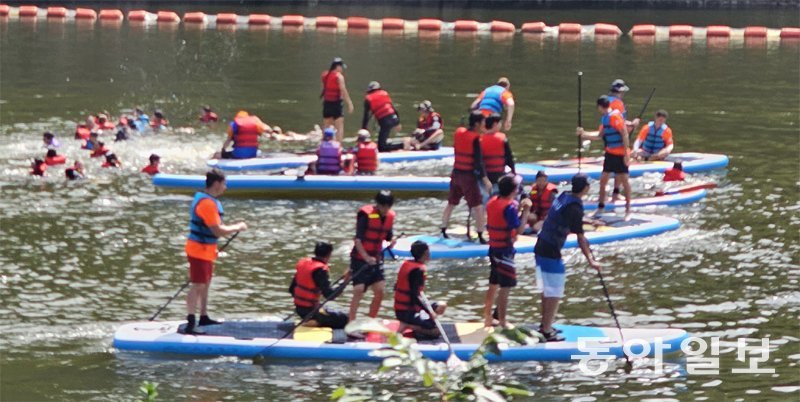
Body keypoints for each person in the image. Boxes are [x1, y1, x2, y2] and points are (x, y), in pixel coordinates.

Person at [534, 174, 601, 341]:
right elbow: (580, 238)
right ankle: (547, 331)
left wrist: (587, 221)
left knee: (546, 289)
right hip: (550, 250)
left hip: (540, 245)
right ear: (585, 188)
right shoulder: (575, 207)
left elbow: (568, 217)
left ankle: (544, 325)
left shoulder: (564, 196)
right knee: (555, 291)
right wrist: (591, 261)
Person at [184, 169, 248, 335]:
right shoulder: (207, 203)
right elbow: (217, 231)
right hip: (198, 250)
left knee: (205, 284)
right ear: (217, 184)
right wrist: (238, 227)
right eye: (224, 184)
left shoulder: (209, 200)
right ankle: (191, 322)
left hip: (207, 250)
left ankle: (203, 316)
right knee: (197, 285)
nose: (225, 187)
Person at [483, 175, 531, 328]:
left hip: (493, 248)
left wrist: (518, 207)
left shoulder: (493, 202)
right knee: (505, 287)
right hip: (504, 251)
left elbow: (503, 216)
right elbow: (519, 229)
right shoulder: (509, 207)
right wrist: (526, 211)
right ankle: (503, 322)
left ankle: (488, 317)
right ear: (514, 190)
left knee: (493, 283)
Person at [440, 111, 491, 243]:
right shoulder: (475, 139)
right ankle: (481, 235)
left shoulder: (459, 133)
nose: (485, 125)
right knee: (478, 206)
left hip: (456, 173)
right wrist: (486, 180)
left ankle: (443, 230)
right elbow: (479, 162)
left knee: (451, 203)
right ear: (477, 124)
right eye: (483, 122)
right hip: (468, 176)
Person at [577, 95, 632, 219]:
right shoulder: (605, 119)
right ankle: (600, 208)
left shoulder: (615, 117)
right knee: (603, 180)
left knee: (625, 181)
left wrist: (626, 153)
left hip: (620, 154)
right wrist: (584, 134)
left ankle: (628, 210)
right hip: (610, 153)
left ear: (600, 107)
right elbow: (599, 135)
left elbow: (624, 133)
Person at [348, 190, 397, 321]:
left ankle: (370, 321)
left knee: (380, 290)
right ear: (378, 204)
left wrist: (392, 241)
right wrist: (366, 258)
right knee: (358, 290)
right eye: (383, 206)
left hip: (376, 259)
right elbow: (357, 240)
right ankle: (351, 322)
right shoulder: (365, 216)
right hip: (359, 258)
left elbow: (388, 236)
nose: (386, 209)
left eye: (388, 206)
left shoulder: (389, 217)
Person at [394, 240, 448, 339]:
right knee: (436, 331)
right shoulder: (417, 271)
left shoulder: (409, 264)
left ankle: (423, 322)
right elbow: (414, 296)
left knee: (442, 305)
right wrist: (429, 311)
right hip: (406, 312)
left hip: (411, 307)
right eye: (428, 251)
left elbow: (398, 287)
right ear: (425, 253)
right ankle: (408, 325)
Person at [289, 241, 349, 329]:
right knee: (345, 318)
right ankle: (317, 321)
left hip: (299, 309)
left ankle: (314, 318)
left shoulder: (303, 264)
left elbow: (291, 289)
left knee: (332, 308)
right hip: (310, 312)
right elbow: (329, 295)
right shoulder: (320, 270)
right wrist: (345, 282)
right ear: (328, 255)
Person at [480, 113, 516, 196]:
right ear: (495, 124)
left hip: (485, 176)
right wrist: (514, 172)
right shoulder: (503, 139)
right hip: (499, 175)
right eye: (500, 123)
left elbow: (478, 161)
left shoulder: (480, 140)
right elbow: (509, 158)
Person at [362, 81, 403, 152]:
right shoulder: (384, 93)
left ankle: (402, 145)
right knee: (381, 142)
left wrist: (363, 129)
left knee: (381, 147)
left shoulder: (368, 99)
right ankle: (397, 145)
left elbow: (366, 117)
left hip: (385, 122)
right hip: (394, 118)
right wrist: (398, 122)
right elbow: (393, 109)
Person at [321, 57, 355, 142]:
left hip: (327, 103)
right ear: (338, 67)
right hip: (336, 104)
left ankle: (325, 144)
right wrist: (349, 103)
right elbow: (343, 90)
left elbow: (324, 88)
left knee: (326, 126)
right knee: (339, 127)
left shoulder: (325, 75)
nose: (342, 69)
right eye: (341, 67)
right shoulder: (339, 76)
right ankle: (338, 146)